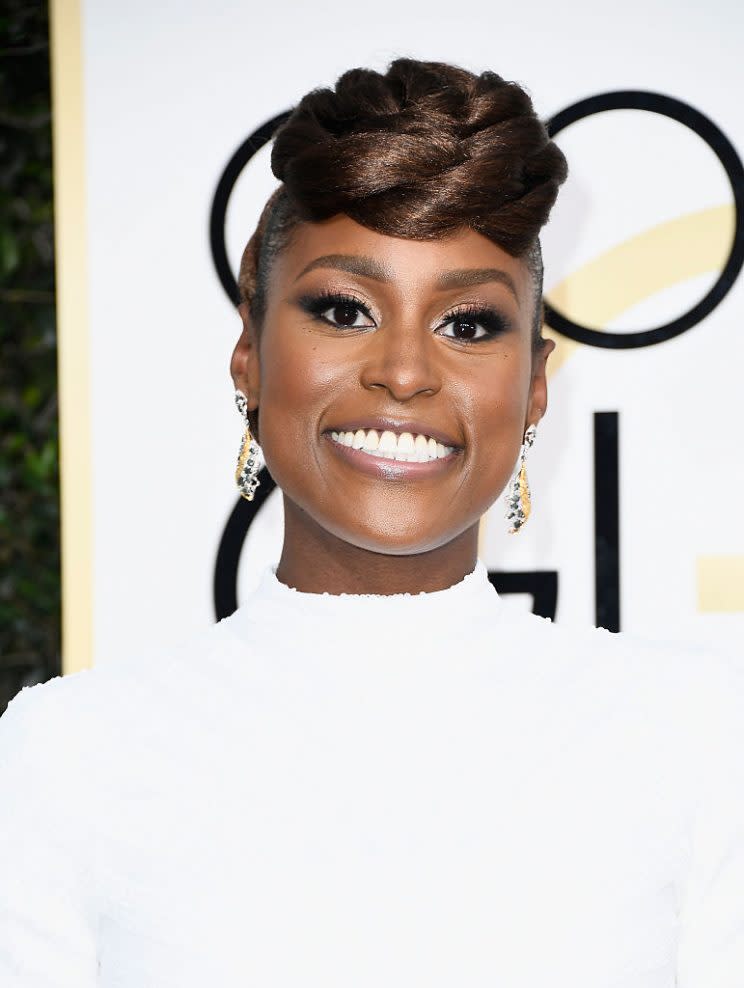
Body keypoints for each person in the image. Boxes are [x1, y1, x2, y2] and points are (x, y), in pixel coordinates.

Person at [1, 58, 742, 988]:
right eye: (343, 309)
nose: (403, 372)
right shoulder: (69, 759)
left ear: (537, 383)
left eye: (468, 324)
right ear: (250, 354)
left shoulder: (697, 741)